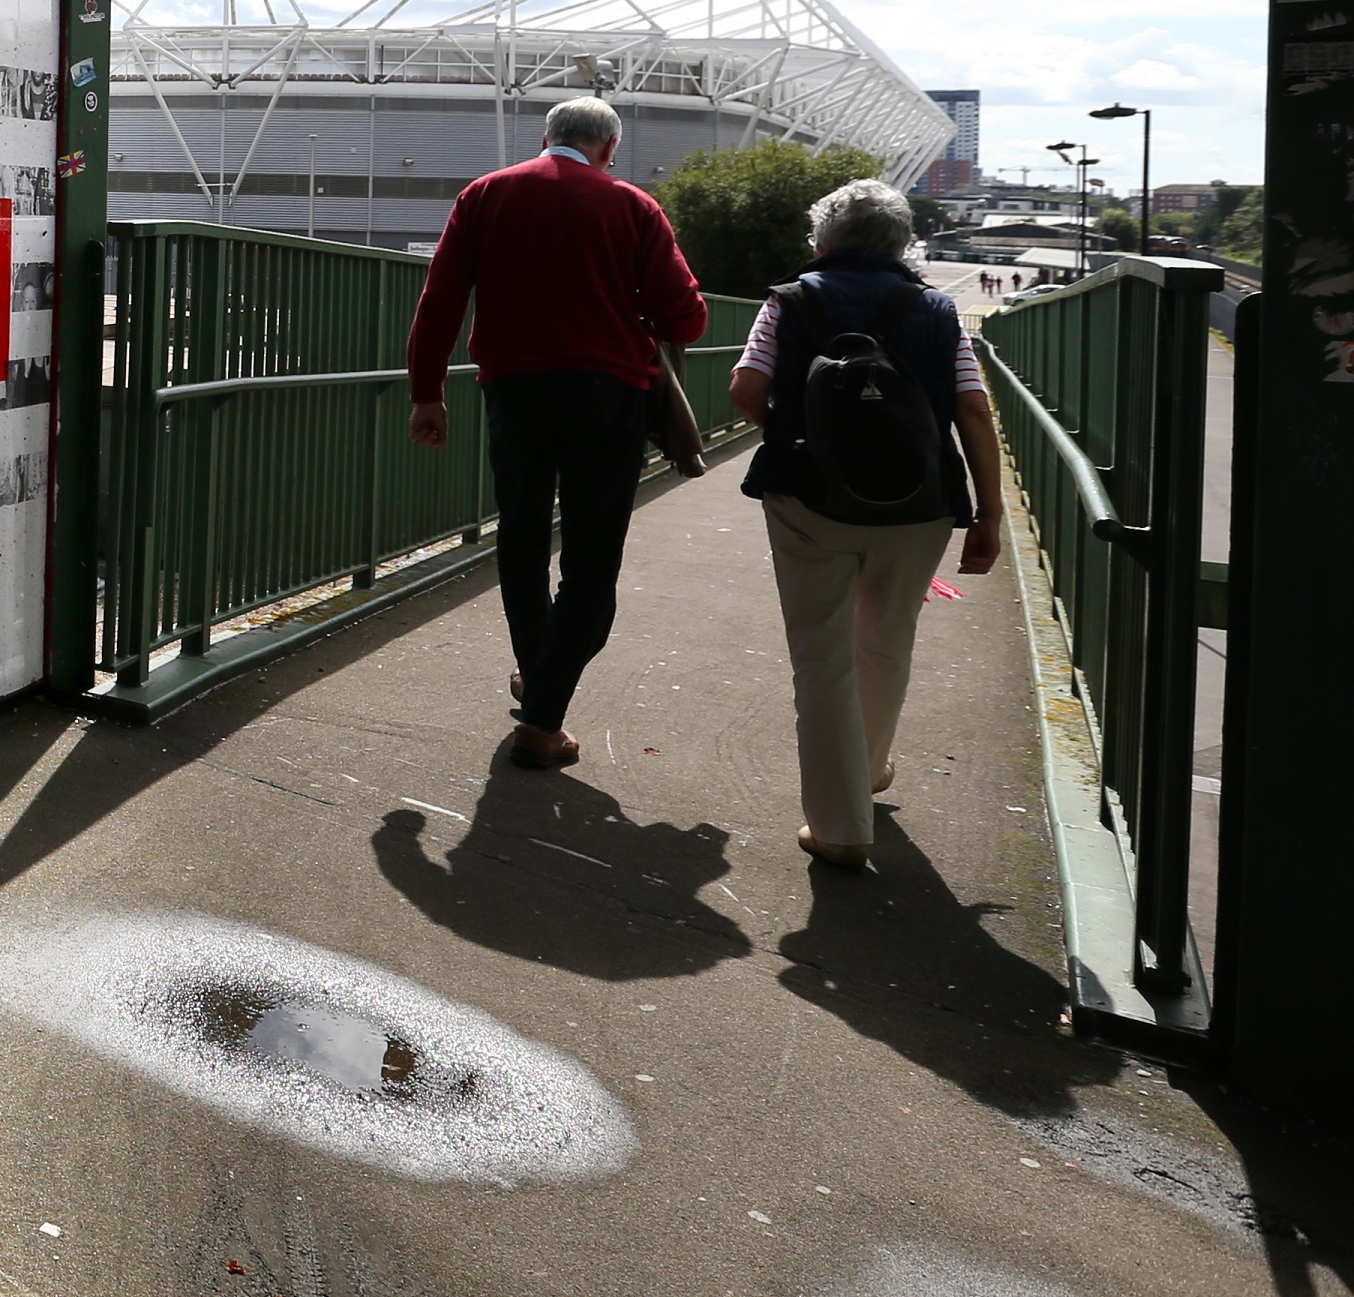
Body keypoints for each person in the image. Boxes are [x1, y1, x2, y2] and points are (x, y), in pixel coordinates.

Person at [405, 95, 708, 769]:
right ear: (607, 148)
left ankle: (533, 670)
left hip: (512, 392)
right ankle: (541, 719)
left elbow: (440, 298)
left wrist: (427, 393)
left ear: (545, 138)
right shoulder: (631, 206)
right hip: (608, 398)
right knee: (591, 558)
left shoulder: (484, 195)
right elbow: (685, 318)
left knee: (519, 534)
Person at [727, 177, 1006, 871]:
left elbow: (745, 388)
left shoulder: (787, 302)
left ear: (822, 240)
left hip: (806, 501)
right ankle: (871, 765)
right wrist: (987, 512)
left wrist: (801, 438)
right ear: (901, 242)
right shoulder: (937, 310)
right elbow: (972, 409)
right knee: (885, 641)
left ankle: (839, 824)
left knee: (820, 659)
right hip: (918, 504)